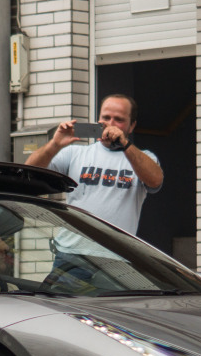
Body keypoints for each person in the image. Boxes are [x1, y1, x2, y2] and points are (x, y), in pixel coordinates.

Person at [26, 95, 163, 287]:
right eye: (105, 118)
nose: (110, 124)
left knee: (113, 314)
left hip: (118, 258)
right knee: (60, 311)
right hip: (72, 254)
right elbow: (30, 172)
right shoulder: (75, 153)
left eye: (119, 120)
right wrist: (55, 144)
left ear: (131, 126)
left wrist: (125, 145)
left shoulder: (143, 158)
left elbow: (155, 179)